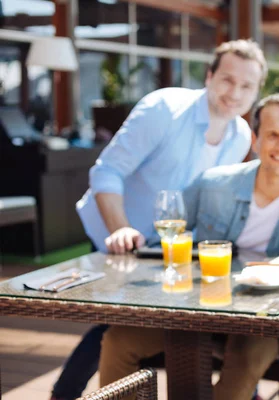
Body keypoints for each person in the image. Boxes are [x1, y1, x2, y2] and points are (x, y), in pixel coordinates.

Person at [51, 39, 267, 400]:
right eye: (228, 80)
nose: (235, 93)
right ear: (209, 76)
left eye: (247, 86)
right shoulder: (163, 109)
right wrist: (119, 228)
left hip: (171, 243)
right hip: (117, 230)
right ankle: (64, 394)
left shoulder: (240, 134)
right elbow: (106, 172)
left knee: (148, 320)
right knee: (116, 319)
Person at [97, 93, 279, 400]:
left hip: (264, 319)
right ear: (255, 138)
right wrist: (129, 237)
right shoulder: (213, 183)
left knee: (248, 356)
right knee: (118, 341)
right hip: (197, 308)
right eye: (272, 135)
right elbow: (165, 234)